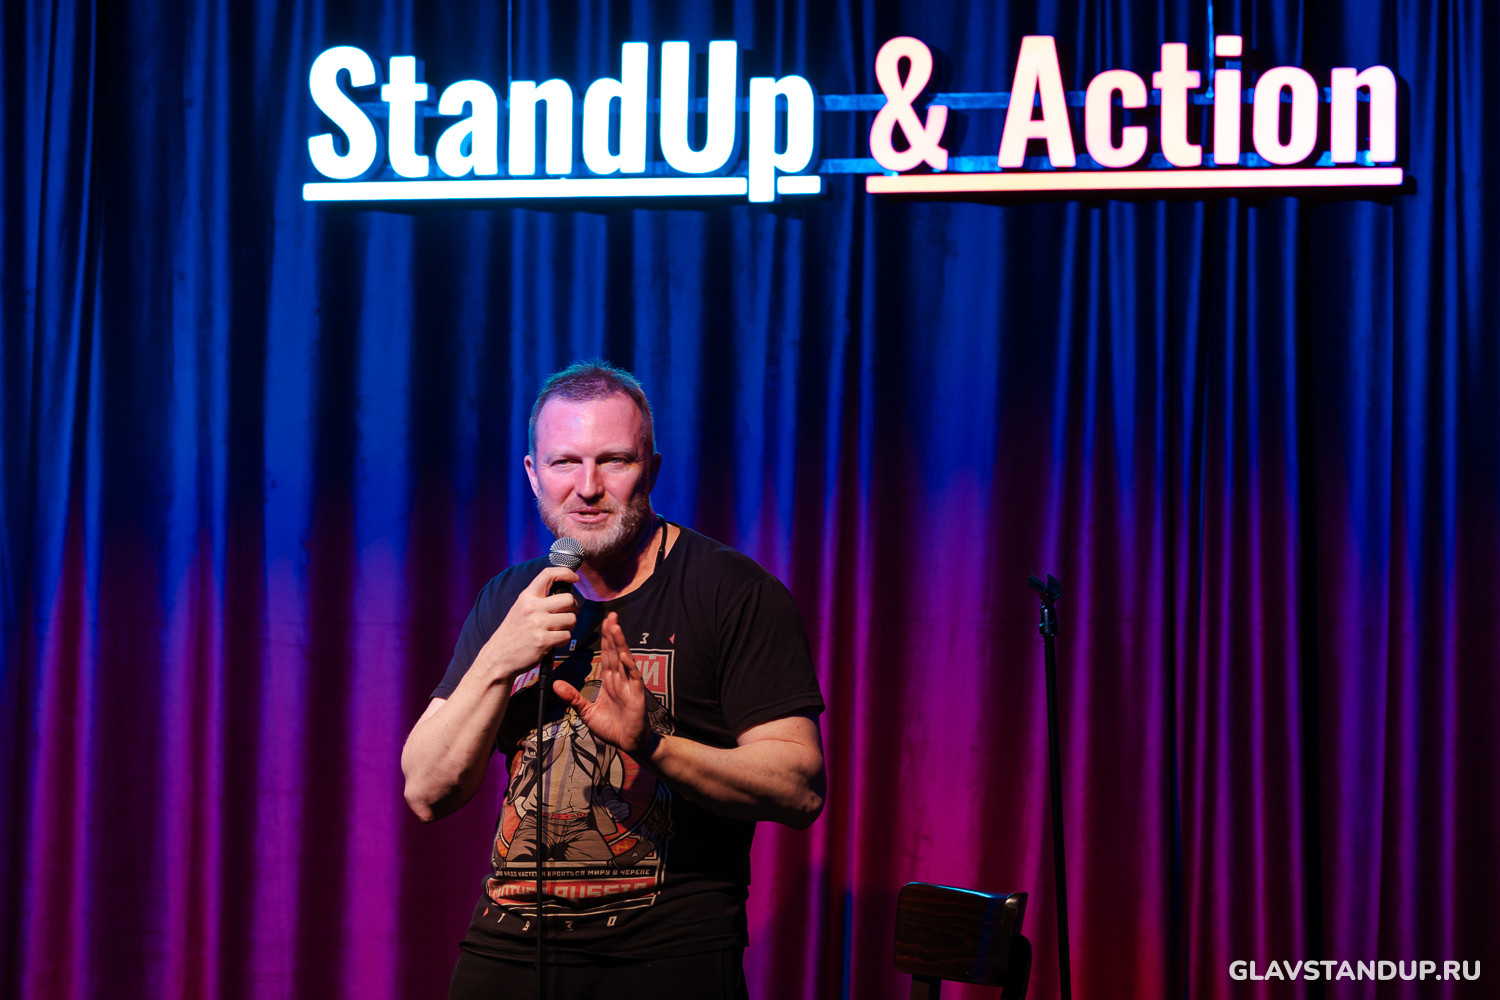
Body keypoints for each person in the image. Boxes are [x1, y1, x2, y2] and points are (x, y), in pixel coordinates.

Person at [401, 361, 826, 999]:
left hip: (665, 958)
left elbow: (800, 787)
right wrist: (497, 660)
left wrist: (652, 746)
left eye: (614, 461)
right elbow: (426, 790)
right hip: (507, 952)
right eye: (565, 463)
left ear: (651, 469)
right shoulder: (512, 599)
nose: (588, 488)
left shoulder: (733, 592)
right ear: (533, 474)